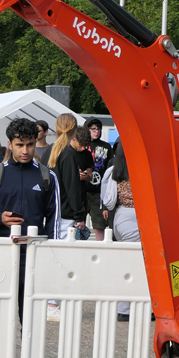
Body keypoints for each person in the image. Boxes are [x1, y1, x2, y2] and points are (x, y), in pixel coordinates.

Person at [0, 117, 60, 358]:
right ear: (9, 144)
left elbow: (55, 221)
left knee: (31, 318)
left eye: (30, 145)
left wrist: (50, 257)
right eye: (20, 145)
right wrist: (0, 219)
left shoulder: (47, 177)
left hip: (33, 258)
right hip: (1, 255)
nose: (25, 150)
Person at [101, 145, 138, 320]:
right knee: (136, 266)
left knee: (125, 263)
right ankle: (126, 309)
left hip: (121, 217)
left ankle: (123, 306)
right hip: (138, 217)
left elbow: (108, 201)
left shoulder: (114, 171)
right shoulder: (141, 169)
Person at [53, 124, 92, 238]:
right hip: (67, 208)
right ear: (74, 138)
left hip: (80, 201)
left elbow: (90, 174)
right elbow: (71, 187)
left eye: (86, 145)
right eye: (82, 145)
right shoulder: (68, 154)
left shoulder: (86, 154)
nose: (84, 148)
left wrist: (85, 176)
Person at [84, 118, 113, 241]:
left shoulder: (106, 146)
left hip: (98, 192)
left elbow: (110, 168)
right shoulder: (82, 145)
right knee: (76, 225)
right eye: (93, 129)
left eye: (98, 129)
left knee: (99, 226)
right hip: (82, 190)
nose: (96, 131)